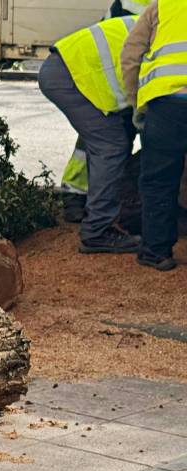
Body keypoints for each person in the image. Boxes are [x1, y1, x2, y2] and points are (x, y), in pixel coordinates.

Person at [40, 15, 143, 254]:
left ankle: (91, 207)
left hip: (66, 66)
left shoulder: (164, 23)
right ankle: (97, 231)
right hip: (72, 74)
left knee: (113, 137)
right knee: (111, 145)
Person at [122, 0, 187, 271]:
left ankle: (156, 251)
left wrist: (136, 102)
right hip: (168, 101)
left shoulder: (164, 6)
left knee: (159, 179)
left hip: (167, 103)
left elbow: (130, 55)